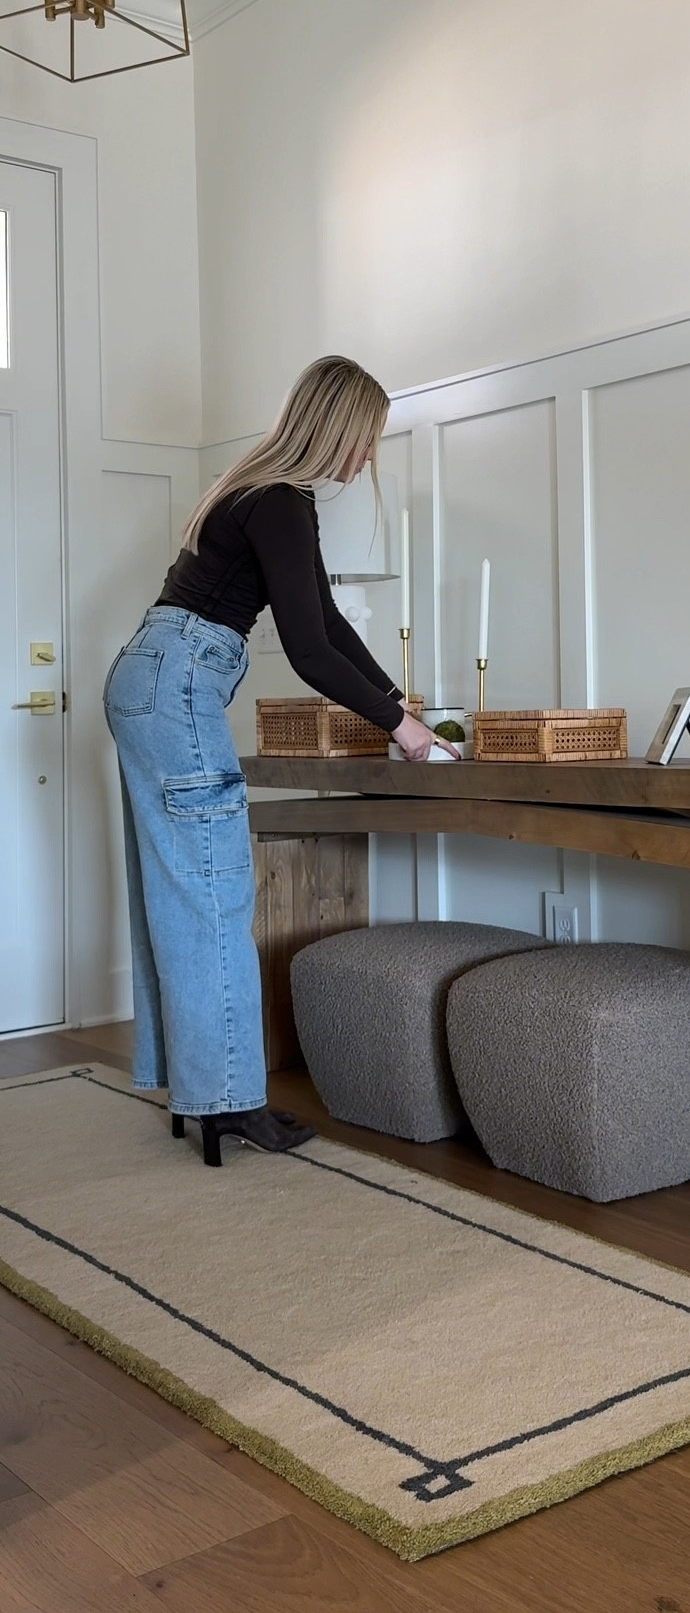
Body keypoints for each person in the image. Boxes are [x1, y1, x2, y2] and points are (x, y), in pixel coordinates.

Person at [103, 355, 456, 1167]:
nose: (367, 458)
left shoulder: (256, 491)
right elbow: (306, 652)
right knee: (217, 893)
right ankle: (229, 1101)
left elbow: (328, 624)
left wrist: (399, 705)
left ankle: (196, 1091)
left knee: (179, 890)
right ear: (338, 427)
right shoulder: (281, 501)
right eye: (367, 440)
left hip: (152, 678)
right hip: (179, 683)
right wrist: (400, 730)